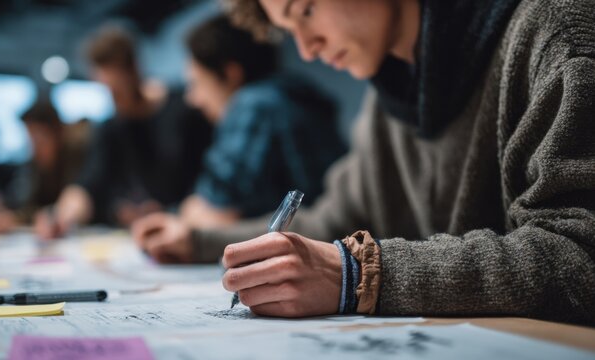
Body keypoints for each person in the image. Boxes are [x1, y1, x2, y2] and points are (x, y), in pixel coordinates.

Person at [132, 0, 595, 325]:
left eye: (306, 10)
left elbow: (580, 254)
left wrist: (358, 275)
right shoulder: (390, 94)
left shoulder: (556, 33)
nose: (308, 49)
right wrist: (199, 241)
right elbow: (330, 220)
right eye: (290, 31)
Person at [132, 15, 346, 239]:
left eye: (197, 83)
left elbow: (214, 214)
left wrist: (190, 213)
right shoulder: (295, 97)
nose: (193, 99)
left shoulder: (254, 105)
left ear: (230, 73)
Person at [35, 24, 213, 239]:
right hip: (136, 236)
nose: (113, 99)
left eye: (117, 90)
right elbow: (88, 184)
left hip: (184, 228)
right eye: (106, 89)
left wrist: (172, 212)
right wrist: (61, 216)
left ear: (134, 69)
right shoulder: (112, 126)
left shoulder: (185, 109)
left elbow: (207, 178)